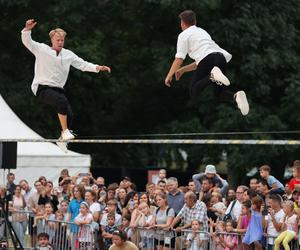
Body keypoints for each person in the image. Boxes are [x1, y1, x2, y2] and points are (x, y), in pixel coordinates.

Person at [21, 19, 111, 152]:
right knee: (61, 101)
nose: (60, 43)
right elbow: (28, 42)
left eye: (62, 40)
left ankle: (62, 141)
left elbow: (83, 64)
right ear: (52, 40)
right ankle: (64, 132)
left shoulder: (68, 54)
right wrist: (27, 29)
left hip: (57, 90)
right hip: (42, 88)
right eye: (58, 40)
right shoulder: (42, 49)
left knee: (69, 114)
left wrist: (98, 67)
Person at [164, 10, 249, 116]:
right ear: (195, 21)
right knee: (218, 94)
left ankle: (212, 76)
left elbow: (179, 59)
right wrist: (183, 70)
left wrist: (169, 75)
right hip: (220, 58)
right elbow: (200, 62)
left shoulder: (183, 35)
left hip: (208, 61)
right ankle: (236, 96)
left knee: (193, 91)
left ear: (182, 23)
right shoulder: (202, 31)